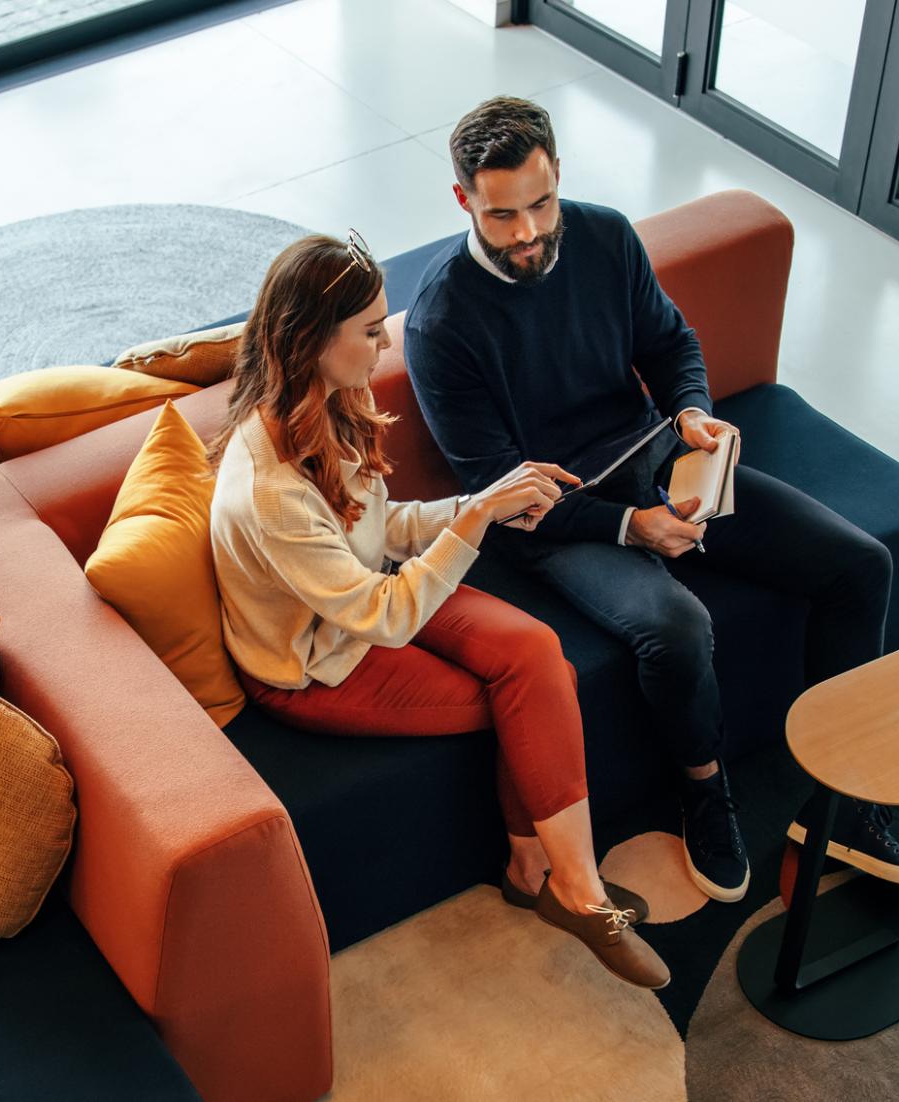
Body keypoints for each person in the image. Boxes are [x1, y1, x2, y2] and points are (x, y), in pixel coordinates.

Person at [403, 96, 899, 905]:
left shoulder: (605, 236)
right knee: (676, 627)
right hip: (552, 519)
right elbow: (501, 490)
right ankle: (703, 792)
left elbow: (669, 340)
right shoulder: (442, 322)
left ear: (559, 179)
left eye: (541, 204)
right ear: (463, 203)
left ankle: (847, 804)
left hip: (653, 458)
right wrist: (631, 528)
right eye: (502, 214)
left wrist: (688, 408)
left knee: (860, 564)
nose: (527, 233)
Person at [209, 230, 669, 989]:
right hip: (314, 665)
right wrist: (472, 524)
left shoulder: (331, 399)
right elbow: (384, 617)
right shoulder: (270, 492)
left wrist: (481, 502)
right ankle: (577, 893)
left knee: (537, 654)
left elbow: (381, 528)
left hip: (373, 592)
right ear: (312, 340)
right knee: (522, 697)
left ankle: (537, 873)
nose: (384, 344)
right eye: (368, 331)